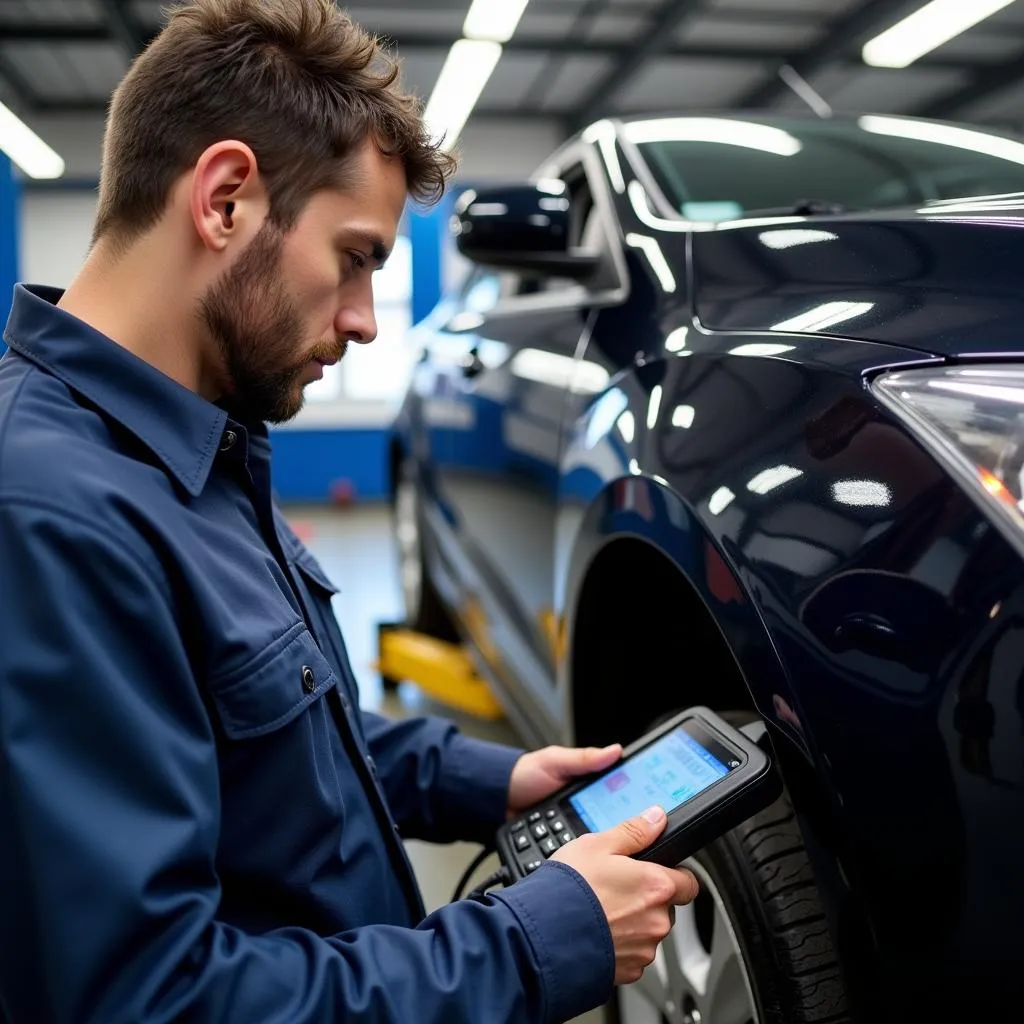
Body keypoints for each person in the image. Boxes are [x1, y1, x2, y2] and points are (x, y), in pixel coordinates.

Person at [0, 2, 699, 1021]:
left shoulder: (197, 440)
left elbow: (260, 741)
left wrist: (480, 778)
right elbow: (150, 999)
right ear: (226, 198)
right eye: (358, 257)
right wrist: (532, 941)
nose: (368, 320)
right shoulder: (51, 517)